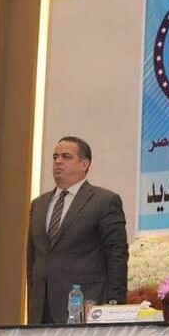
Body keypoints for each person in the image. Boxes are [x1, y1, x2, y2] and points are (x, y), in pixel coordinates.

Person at [26, 136, 128, 324]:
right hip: (41, 309)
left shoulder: (104, 201)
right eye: (55, 157)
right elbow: (32, 258)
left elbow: (116, 255)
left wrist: (114, 305)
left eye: (66, 156)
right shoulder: (38, 204)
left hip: (84, 305)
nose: (58, 161)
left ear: (84, 164)